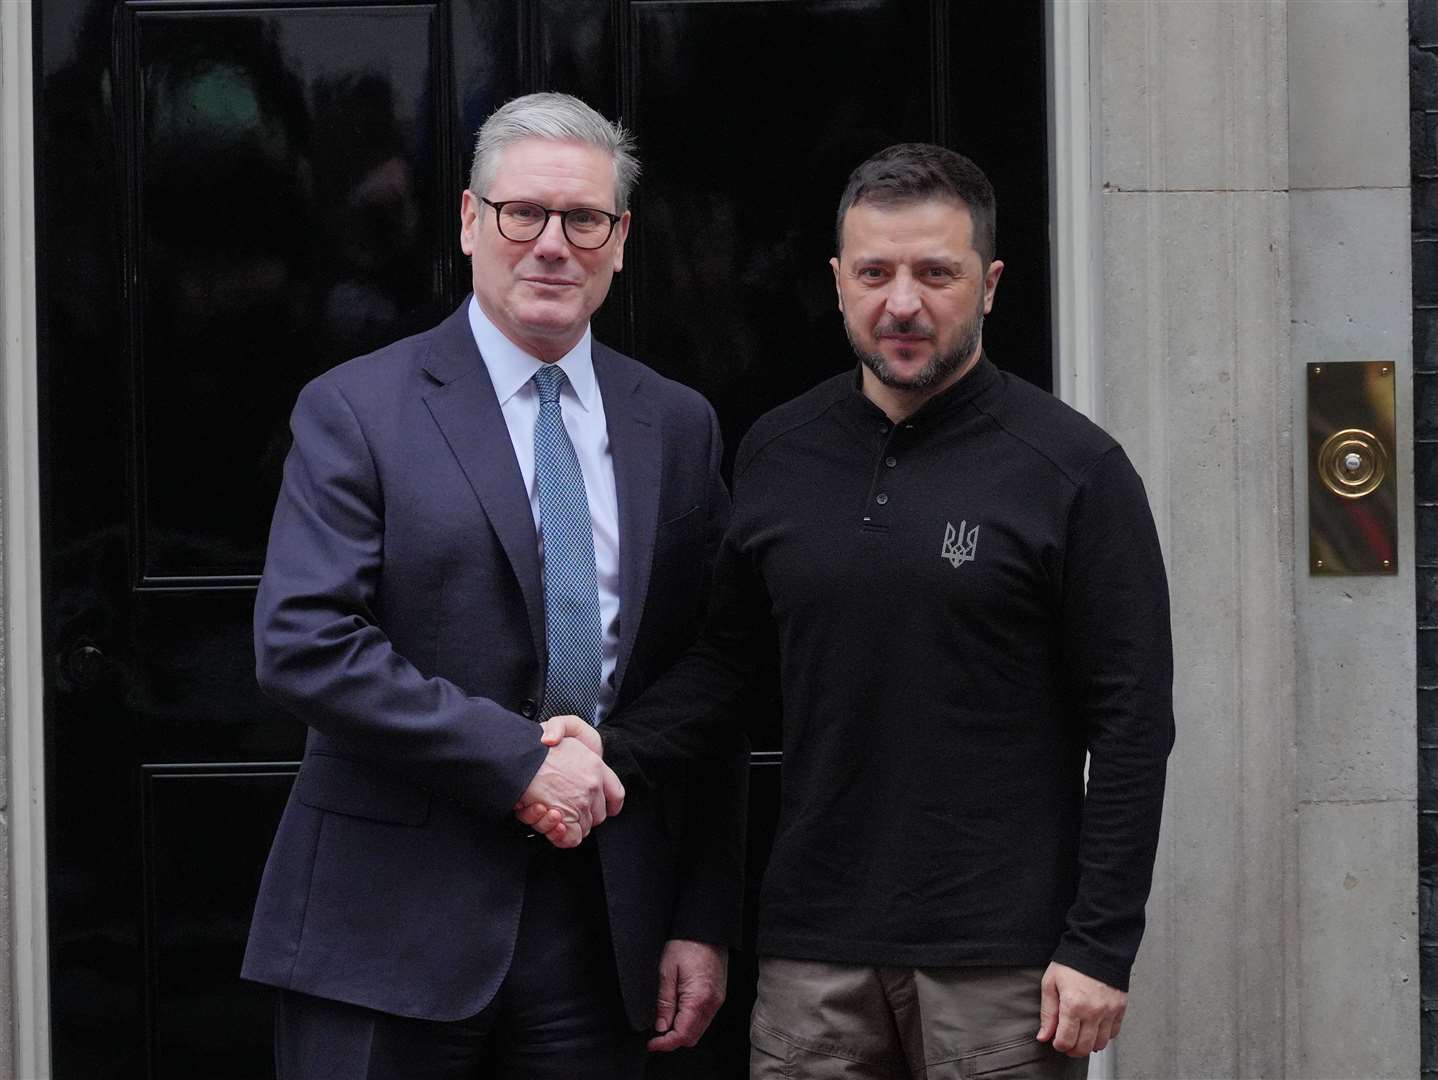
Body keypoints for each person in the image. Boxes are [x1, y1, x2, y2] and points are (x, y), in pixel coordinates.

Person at [525, 143, 1174, 1079]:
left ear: (989, 284)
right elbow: (727, 671)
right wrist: (600, 748)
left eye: (935, 273)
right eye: (874, 272)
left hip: (999, 962)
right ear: (837, 283)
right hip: (811, 955)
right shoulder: (780, 451)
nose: (901, 303)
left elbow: (1131, 726)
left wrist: (1099, 946)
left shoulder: (1075, 471)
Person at [243, 91, 744, 1079]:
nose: (552, 244)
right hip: (385, 930)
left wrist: (700, 917)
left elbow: (708, 678)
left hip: (602, 934)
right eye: (523, 213)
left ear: (621, 239)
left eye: (583, 219)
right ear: (472, 222)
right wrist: (517, 762)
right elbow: (304, 642)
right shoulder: (359, 410)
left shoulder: (678, 428)